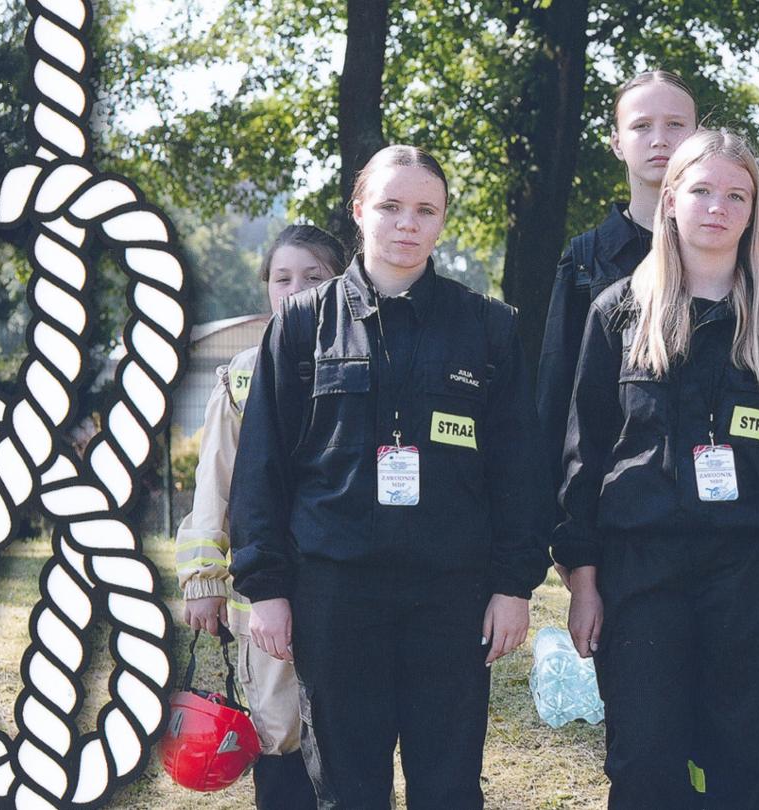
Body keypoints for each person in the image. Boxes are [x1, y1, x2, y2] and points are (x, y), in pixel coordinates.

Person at [229, 145, 549, 809]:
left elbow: (520, 471)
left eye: (426, 210)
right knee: (348, 788)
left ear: (443, 219)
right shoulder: (300, 325)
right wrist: (266, 588)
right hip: (335, 595)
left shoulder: (488, 327)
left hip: (451, 597)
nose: (408, 223)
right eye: (390, 206)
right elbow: (262, 467)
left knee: (448, 787)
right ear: (359, 211)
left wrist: (513, 585)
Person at [554, 129, 759, 809]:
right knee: (644, 763)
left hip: (751, 573)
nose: (718, 207)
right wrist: (583, 582)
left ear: (753, 209)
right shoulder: (618, 312)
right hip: (640, 570)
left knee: (742, 763)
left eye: (736, 195)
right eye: (702, 190)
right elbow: (584, 457)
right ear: (671, 199)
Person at [175, 224, 344, 809]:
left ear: (341, 283)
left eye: (313, 278)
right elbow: (214, 484)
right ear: (266, 287)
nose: (296, 291)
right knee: (280, 729)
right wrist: (203, 582)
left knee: (346, 732)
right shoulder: (241, 375)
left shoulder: (364, 363)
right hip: (265, 594)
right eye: (282, 278)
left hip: (345, 587)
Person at [537, 69, 701, 543]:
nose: (660, 139)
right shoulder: (585, 260)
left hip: (729, 526)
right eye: (641, 125)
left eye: (675, 124)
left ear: (698, 135)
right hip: (617, 516)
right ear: (615, 142)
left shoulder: (740, 257)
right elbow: (557, 399)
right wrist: (563, 530)